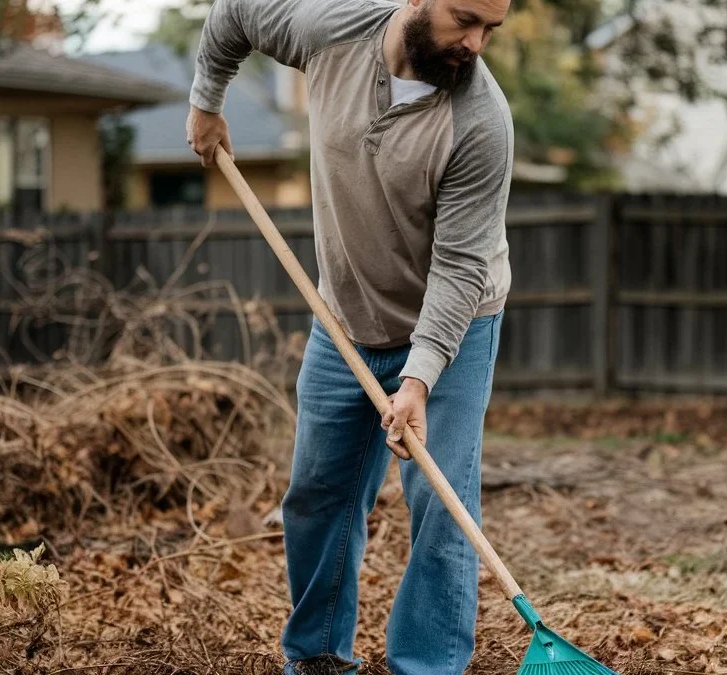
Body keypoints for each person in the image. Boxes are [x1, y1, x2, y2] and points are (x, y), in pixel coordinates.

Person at [186, 0, 513, 672]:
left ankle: (425, 664)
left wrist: (417, 379)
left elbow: (457, 271)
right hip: (343, 318)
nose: (476, 43)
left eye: (491, 29)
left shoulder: (480, 122)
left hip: (452, 325)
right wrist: (205, 103)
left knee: (440, 501)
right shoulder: (332, 30)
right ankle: (316, 657)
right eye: (465, 20)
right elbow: (234, 15)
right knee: (316, 494)